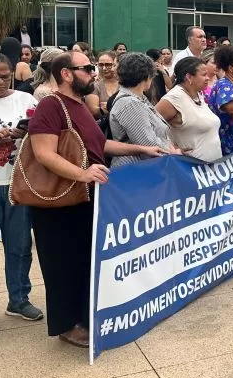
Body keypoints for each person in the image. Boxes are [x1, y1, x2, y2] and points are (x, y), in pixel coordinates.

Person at [27, 50, 164, 346]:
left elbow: (101, 143)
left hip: (85, 198)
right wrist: (82, 173)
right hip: (59, 201)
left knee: (82, 260)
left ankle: (84, 315)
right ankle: (67, 326)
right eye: (87, 68)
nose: (95, 73)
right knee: (62, 263)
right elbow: (43, 152)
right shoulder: (50, 106)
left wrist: (140, 149)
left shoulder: (78, 106)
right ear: (66, 74)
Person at [0, 53, 44, 336]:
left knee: (19, 247)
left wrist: (24, 133)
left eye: (5, 75)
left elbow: (42, 130)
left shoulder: (25, 99)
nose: (1, 81)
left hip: (19, 184)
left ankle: (19, 299)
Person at [108, 53, 181, 168]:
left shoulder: (139, 98)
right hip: (134, 171)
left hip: (144, 168)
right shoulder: (130, 103)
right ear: (146, 76)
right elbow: (148, 143)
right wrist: (173, 152)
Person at [156, 57, 222, 161]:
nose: (208, 78)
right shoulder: (174, 98)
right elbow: (149, 127)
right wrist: (171, 149)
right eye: (203, 75)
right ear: (189, 77)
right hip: (189, 170)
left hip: (211, 169)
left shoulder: (198, 94)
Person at [85, 50, 119, 118]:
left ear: (115, 65)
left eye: (108, 65)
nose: (104, 68)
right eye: (101, 65)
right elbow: (93, 111)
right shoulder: (95, 86)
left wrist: (108, 107)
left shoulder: (125, 83)